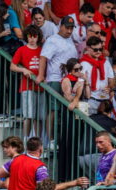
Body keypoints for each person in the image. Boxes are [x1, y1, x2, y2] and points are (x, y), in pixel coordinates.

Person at [38, 16, 77, 148]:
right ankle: (51, 140)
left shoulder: (70, 40)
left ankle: (61, 140)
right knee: (53, 110)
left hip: (69, 79)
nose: (70, 30)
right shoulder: (52, 40)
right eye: (67, 27)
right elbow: (43, 57)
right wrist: (40, 75)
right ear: (60, 26)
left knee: (65, 110)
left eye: (72, 28)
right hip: (55, 79)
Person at [11, 24, 45, 139]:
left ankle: (37, 140)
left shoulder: (42, 50)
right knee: (28, 116)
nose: (32, 39)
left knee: (39, 117)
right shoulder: (21, 49)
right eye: (29, 36)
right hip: (27, 86)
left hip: (40, 87)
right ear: (26, 37)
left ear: (38, 37)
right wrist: (23, 69)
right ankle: (26, 140)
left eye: (34, 36)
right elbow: (12, 66)